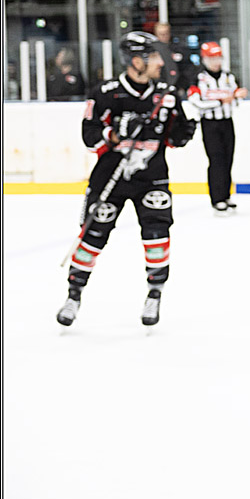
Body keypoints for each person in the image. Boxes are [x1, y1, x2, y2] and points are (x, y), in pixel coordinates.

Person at [56, 31, 197, 328]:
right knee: (92, 235)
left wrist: (186, 125)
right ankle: (74, 294)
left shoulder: (166, 96)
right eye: (155, 56)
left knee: (157, 232)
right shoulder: (105, 93)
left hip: (152, 178)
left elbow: (173, 138)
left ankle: (155, 292)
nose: (162, 63)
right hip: (111, 179)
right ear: (136, 61)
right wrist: (117, 132)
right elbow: (89, 135)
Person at [188, 41, 246, 213]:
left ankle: (226, 195)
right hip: (209, 124)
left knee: (228, 158)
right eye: (212, 58)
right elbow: (196, 102)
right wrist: (220, 101)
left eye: (218, 58)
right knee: (216, 159)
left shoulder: (228, 77)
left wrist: (237, 96)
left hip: (227, 122)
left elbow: (237, 98)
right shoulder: (198, 78)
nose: (216, 62)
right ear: (204, 59)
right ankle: (217, 197)